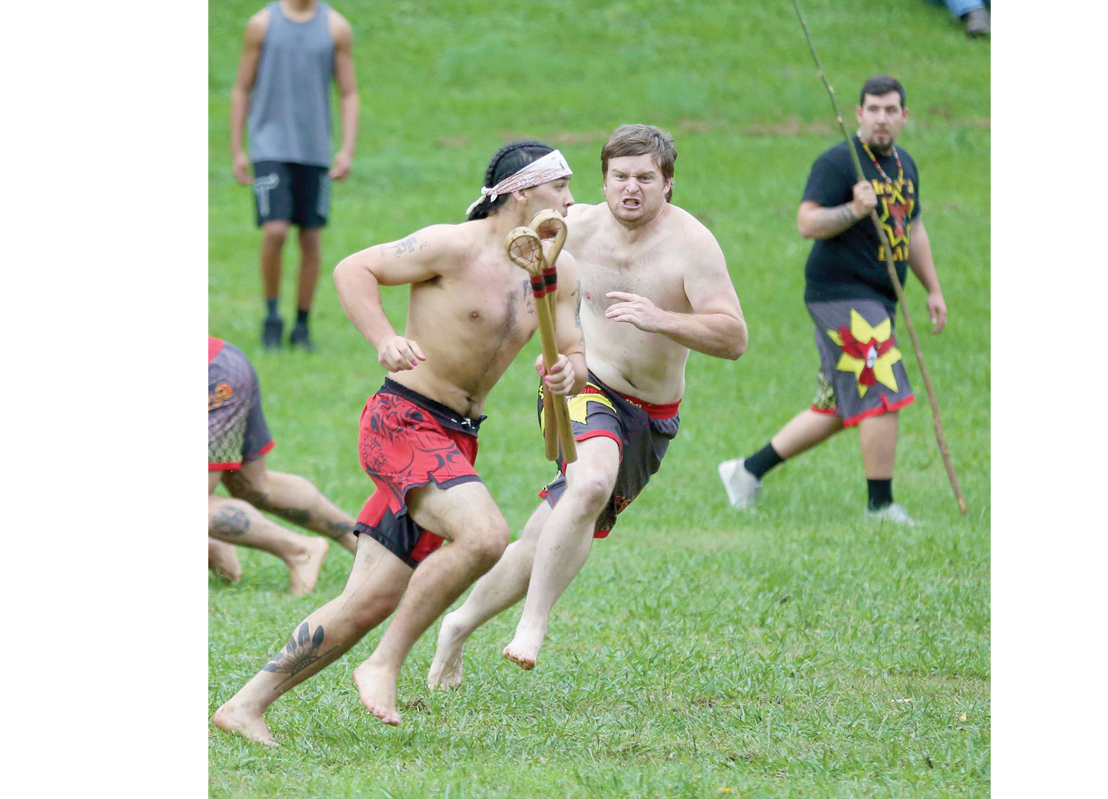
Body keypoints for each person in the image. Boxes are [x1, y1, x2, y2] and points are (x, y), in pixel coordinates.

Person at [213, 142, 585, 744]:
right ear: (521, 191)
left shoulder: (555, 271)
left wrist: (571, 372)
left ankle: (245, 705)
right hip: (403, 421)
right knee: (487, 536)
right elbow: (352, 268)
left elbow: (572, 351)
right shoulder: (451, 246)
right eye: (560, 186)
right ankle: (383, 663)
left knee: (370, 598)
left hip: (459, 439)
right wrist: (384, 337)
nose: (571, 199)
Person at [426, 124, 746, 687]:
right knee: (591, 483)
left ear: (668, 184)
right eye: (620, 177)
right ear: (604, 179)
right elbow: (494, 242)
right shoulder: (573, 228)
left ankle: (459, 624)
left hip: (651, 415)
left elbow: (733, 337)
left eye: (646, 178)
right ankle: (533, 626)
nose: (631, 189)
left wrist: (661, 318)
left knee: (548, 532)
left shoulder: (691, 245)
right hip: (583, 385)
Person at [718, 75, 949, 525]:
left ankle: (746, 471)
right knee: (882, 386)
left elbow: (913, 228)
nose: (882, 118)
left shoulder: (905, 165)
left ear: (904, 116)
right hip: (840, 294)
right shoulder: (840, 163)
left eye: (891, 110)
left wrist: (933, 288)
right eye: (874, 109)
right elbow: (807, 222)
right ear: (859, 114)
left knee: (839, 407)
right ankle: (881, 508)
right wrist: (854, 210)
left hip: (878, 299)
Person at [231, 0, 360, 351]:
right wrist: (238, 148)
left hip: (314, 149)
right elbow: (242, 88)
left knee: (311, 239)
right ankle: (272, 317)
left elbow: (348, 93)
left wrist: (346, 149)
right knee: (274, 231)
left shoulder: (336, 28)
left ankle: (302, 325)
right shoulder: (261, 24)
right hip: (269, 146)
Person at [208, 336, 358, 595]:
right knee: (254, 486)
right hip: (221, 361)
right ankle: (363, 543)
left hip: (213, 377)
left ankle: (299, 550)